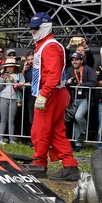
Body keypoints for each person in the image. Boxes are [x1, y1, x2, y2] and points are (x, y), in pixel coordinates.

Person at [28, 12, 79, 181]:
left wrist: (44, 94)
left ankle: (39, 163)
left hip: (51, 93)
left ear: (44, 27)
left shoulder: (49, 46)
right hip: (54, 92)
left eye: (35, 29)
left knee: (40, 129)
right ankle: (70, 165)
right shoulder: (47, 45)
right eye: (32, 29)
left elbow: (53, 73)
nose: (33, 31)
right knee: (57, 132)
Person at [64, 52, 97, 150]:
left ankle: (83, 133)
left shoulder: (88, 69)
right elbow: (64, 83)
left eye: (77, 59)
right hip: (73, 99)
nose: (74, 61)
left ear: (82, 61)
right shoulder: (69, 70)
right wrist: (67, 82)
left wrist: (82, 85)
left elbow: (94, 82)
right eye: (73, 60)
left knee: (78, 116)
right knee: (75, 120)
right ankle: (78, 144)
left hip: (85, 98)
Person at [0, 58, 24, 144]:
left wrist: (15, 81)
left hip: (14, 98)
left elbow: (22, 88)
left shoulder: (19, 75)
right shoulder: (3, 76)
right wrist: (2, 79)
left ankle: (11, 139)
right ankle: (1, 139)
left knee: (11, 120)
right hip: (4, 98)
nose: (9, 68)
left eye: (11, 66)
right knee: (3, 119)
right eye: (7, 67)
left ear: (14, 67)